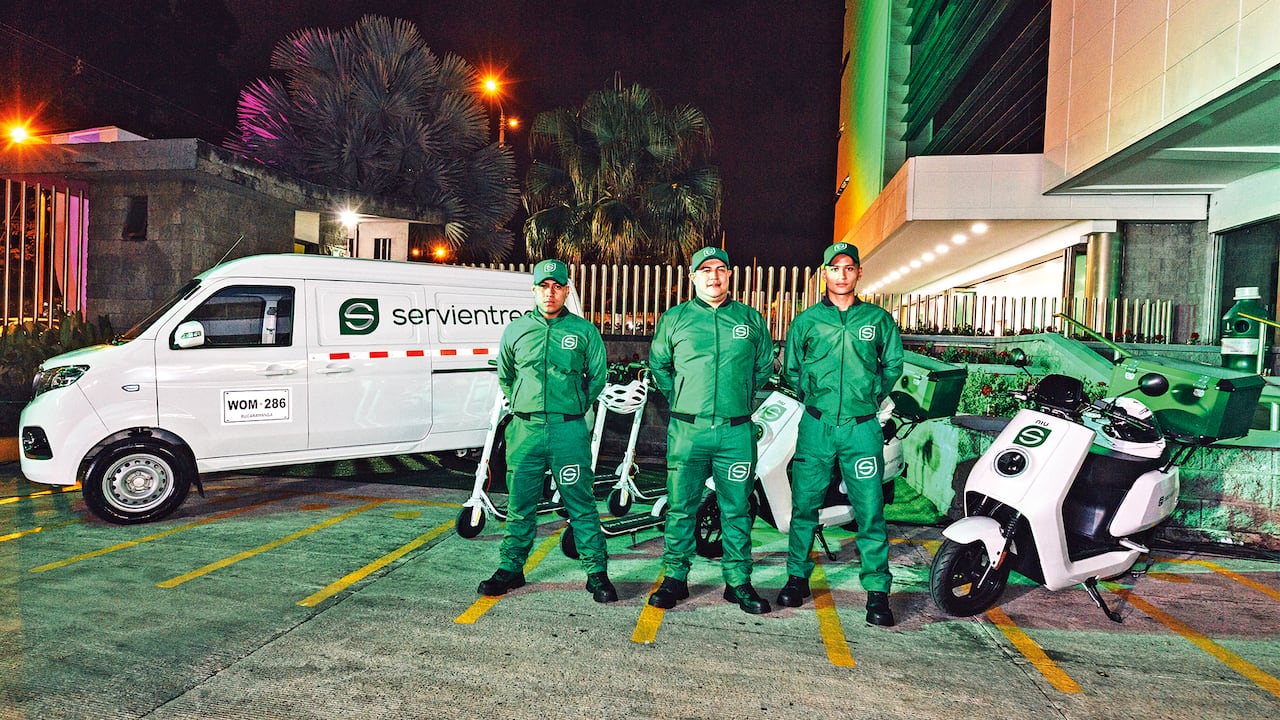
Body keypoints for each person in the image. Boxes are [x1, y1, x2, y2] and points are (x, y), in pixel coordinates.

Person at [777, 242, 904, 626]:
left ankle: (877, 593)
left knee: (870, 510)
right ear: (825, 274)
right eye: (835, 268)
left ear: (858, 273)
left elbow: (892, 366)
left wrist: (865, 398)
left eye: (849, 267)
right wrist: (817, 400)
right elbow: (792, 372)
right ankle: (797, 578)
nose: (842, 274)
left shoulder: (878, 320)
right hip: (816, 427)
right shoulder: (807, 321)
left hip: (861, 428)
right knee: (804, 506)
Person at [477, 259, 617, 603]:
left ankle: (597, 573)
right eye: (544, 286)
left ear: (567, 290)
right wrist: (522, 403)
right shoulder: (516, 330)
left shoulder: (584, 332)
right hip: (525, 430)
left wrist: (571, 405)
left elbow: (596, 378)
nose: (550, 293)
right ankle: (511, 569)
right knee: (520, 504)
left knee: (580, 502)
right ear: (534, 290)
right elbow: (506, 375)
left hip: (568, 432)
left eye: (557, 286)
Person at [646, 246, 776, 614]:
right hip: (688, 431)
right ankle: (675, 578)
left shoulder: (749, 319)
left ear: (730, 275)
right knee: (681, 508)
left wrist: (738, 399)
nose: (714, 276)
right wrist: (684, 399)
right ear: (693, 277)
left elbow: (763, 365)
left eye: (721, 269)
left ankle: (738, 582)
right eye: (705, 270)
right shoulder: (675, 319)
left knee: (736, 509)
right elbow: (660, 366)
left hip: (736, 432)